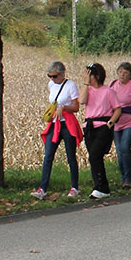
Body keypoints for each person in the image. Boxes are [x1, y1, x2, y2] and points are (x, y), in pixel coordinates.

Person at [32, 61, 81, 199]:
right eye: (50, 76)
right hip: (54, 123)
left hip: (67, 124)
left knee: (71, 156)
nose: (52, 79)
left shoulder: (71, 85)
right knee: (48, 156)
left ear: (62, 74)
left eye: (54, 76)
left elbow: (76, 107)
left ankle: (74, 187)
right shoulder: (51, 85)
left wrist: (64, 108)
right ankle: (42, 188)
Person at [80, 63, 121, 200]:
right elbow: (82, 101)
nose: (87, 77)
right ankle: (101, 186)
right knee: (94, 157)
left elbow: (117, 109)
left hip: (103, 126)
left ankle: (101, 187)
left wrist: (109, 124)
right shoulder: (88, 90)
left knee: (95, 155)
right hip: (89, 126)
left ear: (97, 76)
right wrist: (86, 84)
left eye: (89, 75)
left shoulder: (108, 91)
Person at [108, 62, 131, 188]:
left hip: (130, 120)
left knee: (125, 147)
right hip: (116, 121)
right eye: (120, 72)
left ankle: (129, 178)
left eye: (125, 72)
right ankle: (123, 177)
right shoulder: (112, 85)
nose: (122, 75)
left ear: (130, 75)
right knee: (119, 151)